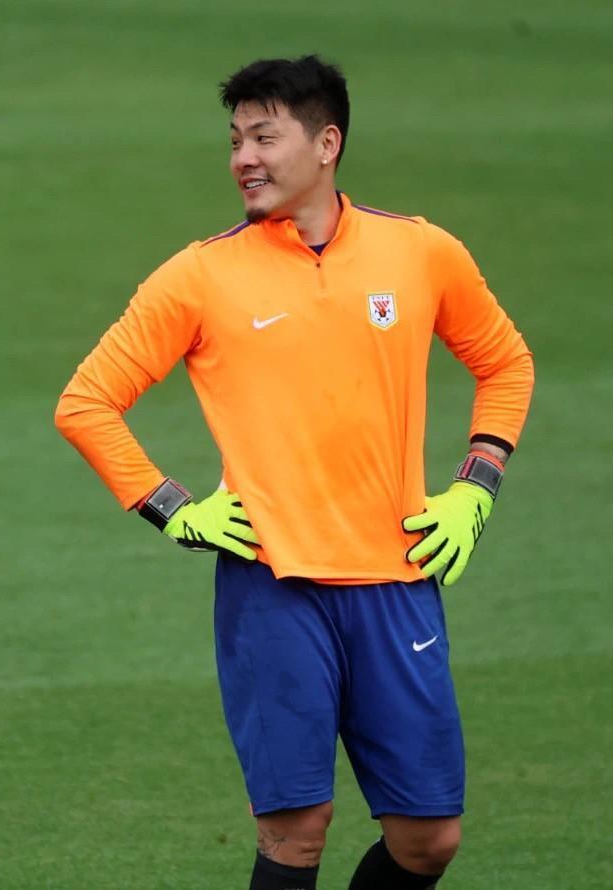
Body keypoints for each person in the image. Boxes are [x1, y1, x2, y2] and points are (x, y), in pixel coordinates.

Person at [54, 54, 534, 890]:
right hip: (271, 588)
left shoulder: (421, 252)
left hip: (398, 579)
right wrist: (172, 507)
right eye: (235, 139)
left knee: (430, 840)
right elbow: (86, 402)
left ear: (326, 143)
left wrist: (475, 488)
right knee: (295, 833)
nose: (243, 157)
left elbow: (506, 363)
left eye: (263, 137)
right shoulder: (200, 275)